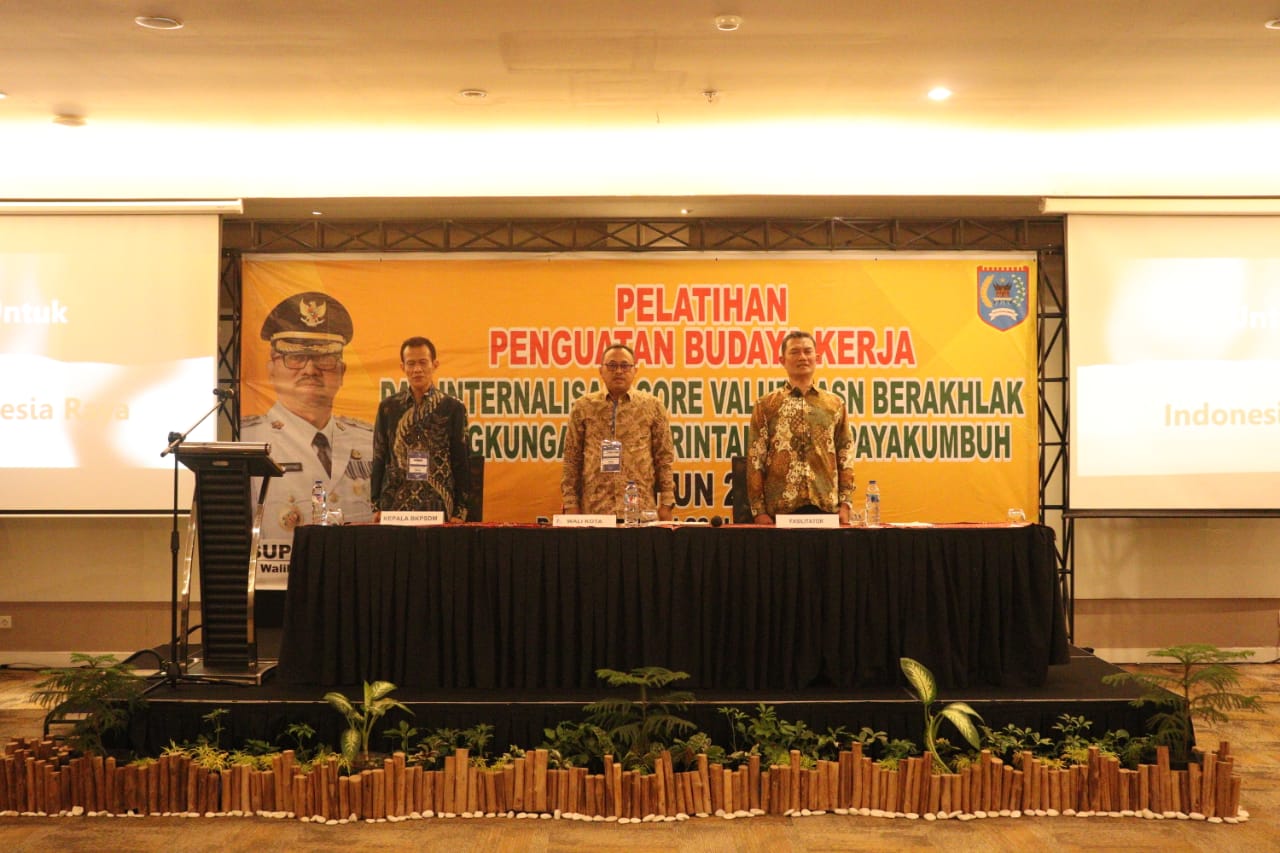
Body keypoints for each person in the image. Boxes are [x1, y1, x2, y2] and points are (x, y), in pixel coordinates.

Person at [241, 292, 374, 547]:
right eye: (295, 357)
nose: (310, 369)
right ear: (271, 369)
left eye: (324, 358)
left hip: (356, 566)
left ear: (342, 372)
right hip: (285, 570)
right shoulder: (248, 441)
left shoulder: (371, 441)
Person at [747, 330, 856, 524]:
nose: (802, 357)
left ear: (817, 357)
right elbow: (756, 459)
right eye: (795, 352)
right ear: (782, 360)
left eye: (807, 351)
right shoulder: (766, 405)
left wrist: (846, 504)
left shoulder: (834, 404)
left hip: (826, 507)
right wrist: (758, 511)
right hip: (780, 510)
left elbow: (845, 455)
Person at [561, 343, 676, 520]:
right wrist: (570, 504)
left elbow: (664, 457)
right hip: (595, 510)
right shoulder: (583, 407)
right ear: (601, 370)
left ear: (635, 370)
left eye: (625, 365)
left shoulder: (652, 406)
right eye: (612, 365)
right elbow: (571, 458)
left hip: (639, 510)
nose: (619, 371)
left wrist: (667, 503)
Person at [371, 336, 472, 520]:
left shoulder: (452, 409)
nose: (417, 369)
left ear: (434, 364)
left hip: (439, 505)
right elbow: (379, 456)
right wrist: (375, 505)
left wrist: (460, 510)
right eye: (411, 363)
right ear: (403, 367)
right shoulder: (388, 408)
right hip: (395, 506)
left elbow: (462, 461)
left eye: (423, 362)